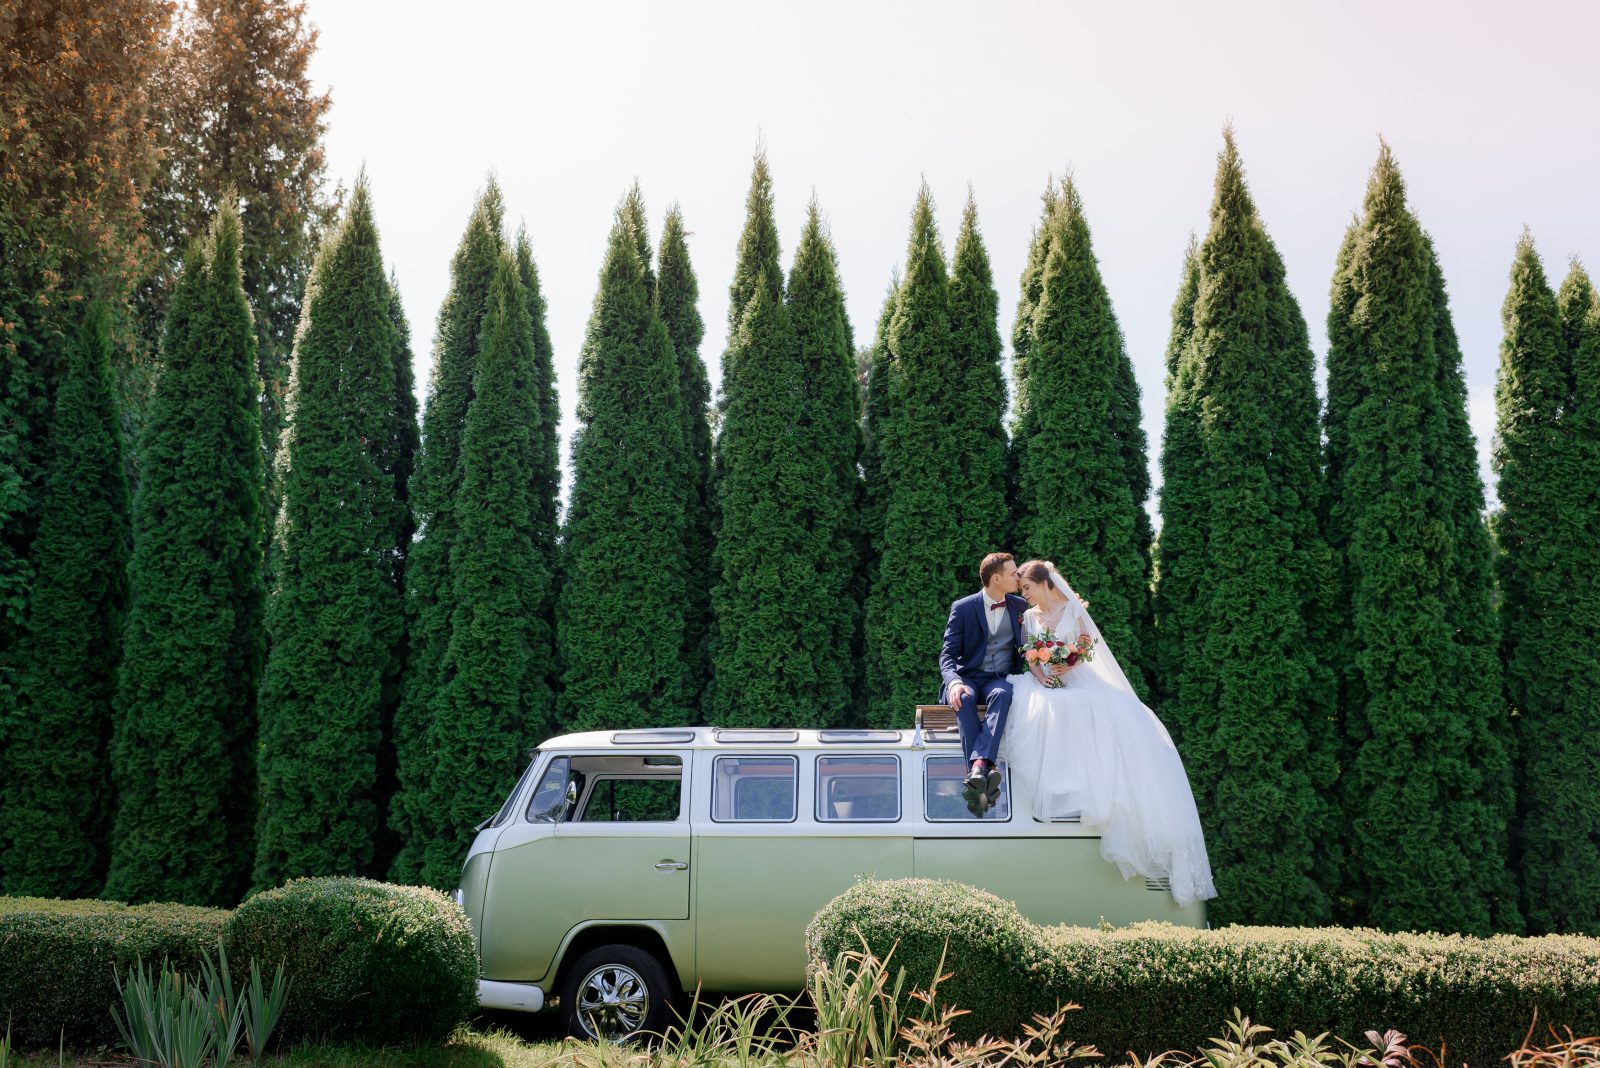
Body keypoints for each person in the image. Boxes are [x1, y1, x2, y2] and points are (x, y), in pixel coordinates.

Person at [1000, 559, 1217, 907]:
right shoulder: (1028, 618)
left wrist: (1066, 663)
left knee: (1093, 708)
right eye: (1021, 589)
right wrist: (1044, 675)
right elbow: (1029, 656)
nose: (1023, 594)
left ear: (1043, 582)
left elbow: (1087, 647)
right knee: (1039, 705)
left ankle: (1093, 795)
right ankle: (1059, 791)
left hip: (1080, 680)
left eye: (1026, 587)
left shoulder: (1072, 610)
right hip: (1045, 681)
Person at [938, 552, 1029, 817]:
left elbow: (1029, 647)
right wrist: (954, 683)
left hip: (998, 679)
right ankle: (983, 771)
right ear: (997, 578)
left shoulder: (1020, 607)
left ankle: (977, 768)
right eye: (1013, 574)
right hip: (967, 677)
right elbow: (947, 655)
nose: (1018, 577)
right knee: (963, 698)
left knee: (1003, 694)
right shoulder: (963, 607)